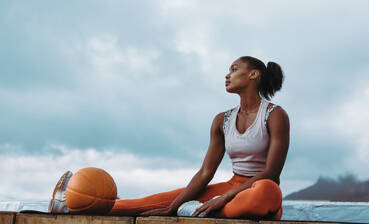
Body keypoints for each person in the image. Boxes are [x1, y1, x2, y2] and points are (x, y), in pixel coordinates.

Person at [49, 56, 290, 220]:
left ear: (253, 75)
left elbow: (271, 173)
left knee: (266, 192)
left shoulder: (275, 115)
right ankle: (68, 204)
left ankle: (204, 209)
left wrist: (223, 198)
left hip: (257, 189)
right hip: (230, 187)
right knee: (154, 201)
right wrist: (173, 207)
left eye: (234, 69)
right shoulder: (221, 120)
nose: (227, 75)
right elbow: (206, 172)